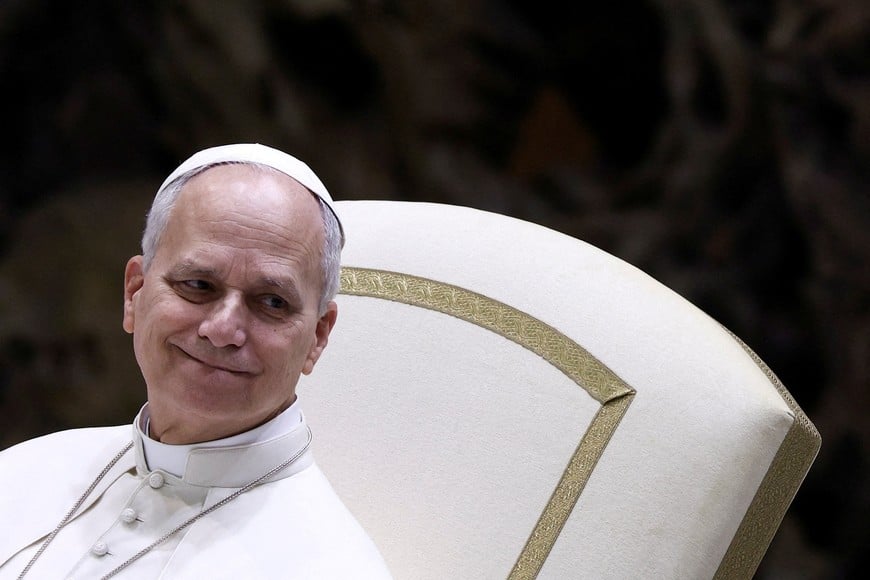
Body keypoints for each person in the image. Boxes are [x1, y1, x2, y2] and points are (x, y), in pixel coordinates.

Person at [0, 144, 393, 579]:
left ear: (318, 336)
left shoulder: (330, 567)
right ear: (135, 293)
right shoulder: (24, 470)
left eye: (272, 302)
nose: (223, 330)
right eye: (198, 284)